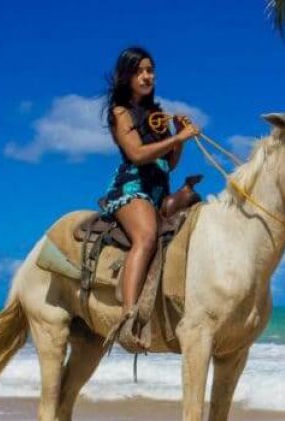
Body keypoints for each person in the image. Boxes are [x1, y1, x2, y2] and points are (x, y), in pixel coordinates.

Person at [101, 46, 200, 349]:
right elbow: (137, 153)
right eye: (140, 70)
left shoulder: (158, 115)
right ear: (127, 76)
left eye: (150, 70)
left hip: (159, 188)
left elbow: (168, 163)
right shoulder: (120, 113)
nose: (147, 76)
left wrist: (179, 140)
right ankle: (128, 319)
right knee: (146, 236)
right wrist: (178, 137)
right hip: (132, 188)